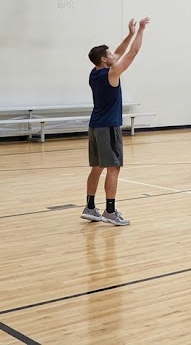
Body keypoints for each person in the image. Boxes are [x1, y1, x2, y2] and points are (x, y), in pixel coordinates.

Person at [81, 17, 150, 226]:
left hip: (94, 127)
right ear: (103, 59)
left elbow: (119, 52)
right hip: (108, 127)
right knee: (113, 168)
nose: (113, 54)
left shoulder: (95, 72)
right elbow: (131, 53)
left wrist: (129, 34)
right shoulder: (112, 73)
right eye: (109, 54)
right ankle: (110, 212)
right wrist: (140, 31)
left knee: (97, 167)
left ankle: (90, 207)